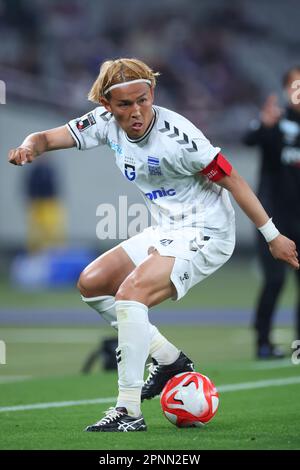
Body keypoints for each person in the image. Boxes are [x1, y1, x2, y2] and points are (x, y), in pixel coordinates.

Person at [9, 58, 299, 432]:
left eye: (142, 100)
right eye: (125, 104)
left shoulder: (180, 137)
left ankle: (128, 410)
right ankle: (168, 360)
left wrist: (272, 236)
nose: (136, 111)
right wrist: (29, 146)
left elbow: (234, 181)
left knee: (131, 295)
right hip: (169, 227)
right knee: (92, 283)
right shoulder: (103, 124)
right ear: (108, 107)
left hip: (207, 231)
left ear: (152, 94)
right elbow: (46, 138)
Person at [244, 65, 300, 359]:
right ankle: (263, 342)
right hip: (273, 219)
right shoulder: (275, 122)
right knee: (275, 281)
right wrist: (264, 125)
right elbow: (248, 139)